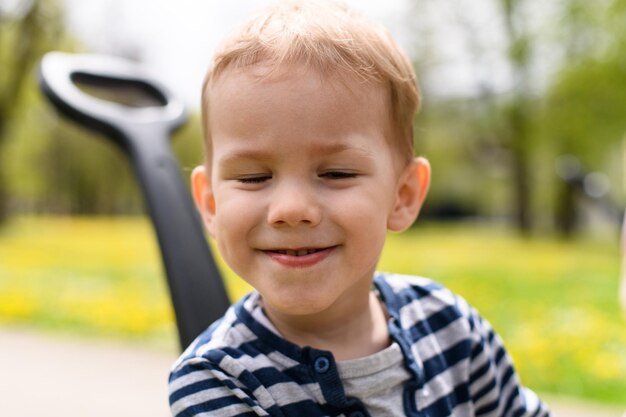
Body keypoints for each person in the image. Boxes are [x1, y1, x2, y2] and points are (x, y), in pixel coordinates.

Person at [168, 1, 551, 416]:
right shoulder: (216, 379)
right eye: (253, 178)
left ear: (402, 196)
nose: (292, 209)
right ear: (210, 203)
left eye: (335, 173)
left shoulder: (451, 327)